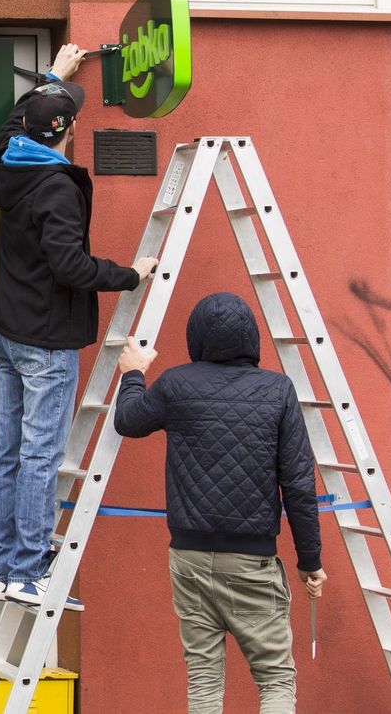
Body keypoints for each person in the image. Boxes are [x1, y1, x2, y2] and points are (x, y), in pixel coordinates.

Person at [0, 43, 158, 609]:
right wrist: (131, 274)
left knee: (8, 450)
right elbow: (71, 266)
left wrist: (50, 76)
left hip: (8, 332)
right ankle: (30, 570)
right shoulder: (56, 187)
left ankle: (4, 569)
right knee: (38, 453)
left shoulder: (10, 159)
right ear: (67, 131)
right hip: (44, 339)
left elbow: (15, 123)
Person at [114, 292, 327, 714]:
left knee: (204, 679)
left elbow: (128, 421)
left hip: (188, 557)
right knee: (275, 679)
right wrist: (310, 561)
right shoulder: (278, 391)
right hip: (252, 562)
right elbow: (299, 485)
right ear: (252, 336)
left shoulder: (176, 384)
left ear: (196, 337)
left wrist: (134, 373)